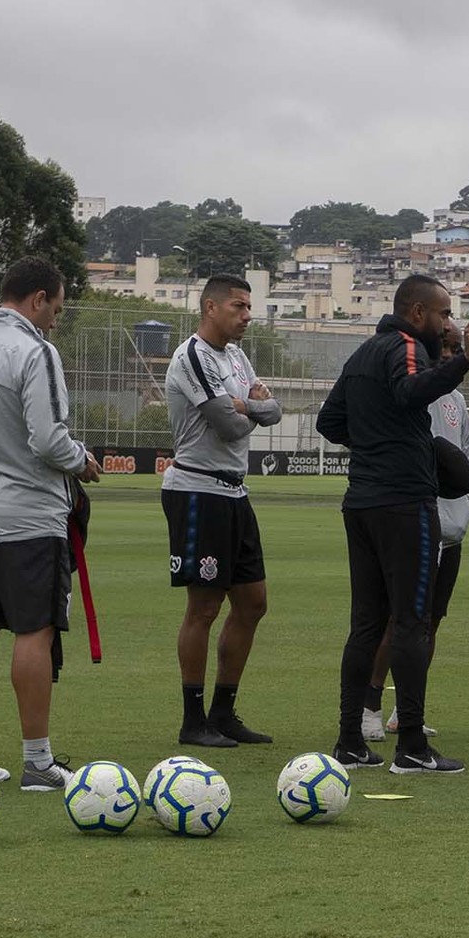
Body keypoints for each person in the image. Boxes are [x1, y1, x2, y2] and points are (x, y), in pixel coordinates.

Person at [0, 257, 101, 790]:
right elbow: (49, 439)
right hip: (31, 517)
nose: (56, 318)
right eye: (56, 307)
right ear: (37, 299)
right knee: (34, 631)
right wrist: (82, 460)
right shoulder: (36, 351)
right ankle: (38, 761)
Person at [316, 275, 469, 774]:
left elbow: (329, 422)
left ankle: (349, 742)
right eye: (444, 313)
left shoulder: (362, 353)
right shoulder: (406, 347)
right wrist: (464, 360)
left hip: (361, 502)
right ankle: (411, 745)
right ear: (417, 313)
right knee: (413, 622)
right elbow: (412, 389)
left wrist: (375, 442)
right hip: (404, 503)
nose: (448, 322)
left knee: (366, 625)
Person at [162, 275, 282, 748]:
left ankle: (224, 713)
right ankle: (193, 720)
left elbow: (272, 412)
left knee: (253, 602)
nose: (247, 315)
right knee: (205, 606)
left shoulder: (236, 356)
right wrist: (251, 407)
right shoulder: (192, 356)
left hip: (234, 492)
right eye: (238, 306)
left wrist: (244, 405)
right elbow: (229, 427)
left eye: (249, 306)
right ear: (210, 307)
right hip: (198, 491)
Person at [362, 321, 469, 743]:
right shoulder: (407, 394)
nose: (448, 357)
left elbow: (465, 458)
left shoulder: (457, 402)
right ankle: (369, 706)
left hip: (451, 529)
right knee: (400, 619)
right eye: (442, 349)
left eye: (454, 351)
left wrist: (466, 506)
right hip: (413, 520)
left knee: (431, 621)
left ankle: (406, 710)